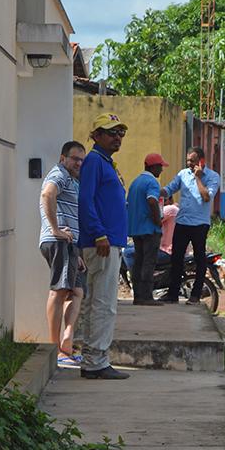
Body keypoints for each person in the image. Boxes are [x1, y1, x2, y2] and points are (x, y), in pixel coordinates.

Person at [77, 114, 130, 380]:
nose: (117, 137)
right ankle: (97, 361)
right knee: (104, 304)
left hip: (108, 242)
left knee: (96, 303)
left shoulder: (105, 162)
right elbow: (85, 201)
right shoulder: (95, 161)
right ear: (96, 135)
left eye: (120, 132)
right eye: (111, 132)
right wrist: (99, 234)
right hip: (102, 244)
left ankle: (92, 359)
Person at [39, 141, 86, 366]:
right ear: (63, 158)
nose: (78, 163)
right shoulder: (59, 174)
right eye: (75, 158)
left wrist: (74, 250)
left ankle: (66, 341)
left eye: (81, 160)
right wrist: (56, 230)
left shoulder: (72, 179)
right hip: (58, 241)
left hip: (69, 245)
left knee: (76, 291)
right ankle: (55, 351)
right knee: (59, 291)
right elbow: (48, 195)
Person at [161, 146, 220, 304]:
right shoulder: (183, 174)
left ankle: (195, 295)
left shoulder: (213, 177)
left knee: (200, 258)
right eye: (187, 161)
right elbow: (170, 188)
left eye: (192, 161)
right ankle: (173, 293)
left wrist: (198, 178)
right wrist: (157, 191)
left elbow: (207, 197)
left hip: (200, 224)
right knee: (176, 258)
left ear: (201, 161)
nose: (189, 164)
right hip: (182, 222)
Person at [126, 153, 169, 305]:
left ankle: (138, 296)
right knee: (149, 263)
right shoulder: (152, 182)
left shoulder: (135, 182)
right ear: (153, 167)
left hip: (136, 229)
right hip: (149, 229)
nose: (161, 170)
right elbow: (152, 200)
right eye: (160, 167)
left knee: (138, 262)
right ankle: (147, 297)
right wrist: (157, 221)